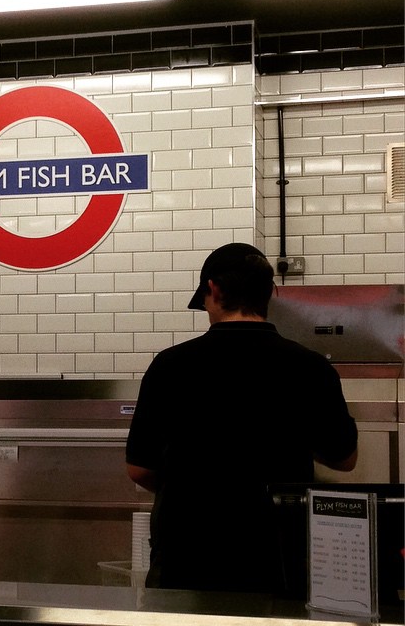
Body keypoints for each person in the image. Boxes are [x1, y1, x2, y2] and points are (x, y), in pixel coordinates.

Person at [125, 242, 358, 594]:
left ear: (214, 290)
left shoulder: (170, 366)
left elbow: (138, 468)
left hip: (187, 555)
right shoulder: (311, 367)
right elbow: (345, 459)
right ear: (269, 294)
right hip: (277, 557)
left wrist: (197, 487)